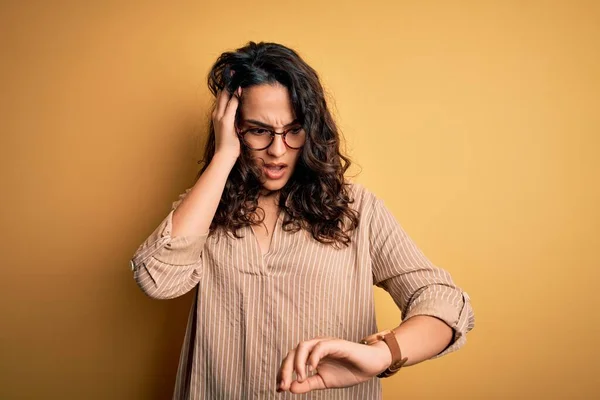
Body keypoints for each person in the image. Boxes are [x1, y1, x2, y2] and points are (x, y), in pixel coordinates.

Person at [130, 41, 475, 399]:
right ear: (232, 127)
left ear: (311, 129)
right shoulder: (207, 207)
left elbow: (445, 303)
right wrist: (224, 156)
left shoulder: (356, 210)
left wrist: (383, 353)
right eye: (258, 130)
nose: (277, 151)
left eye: (293, 130)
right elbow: (158, 279)